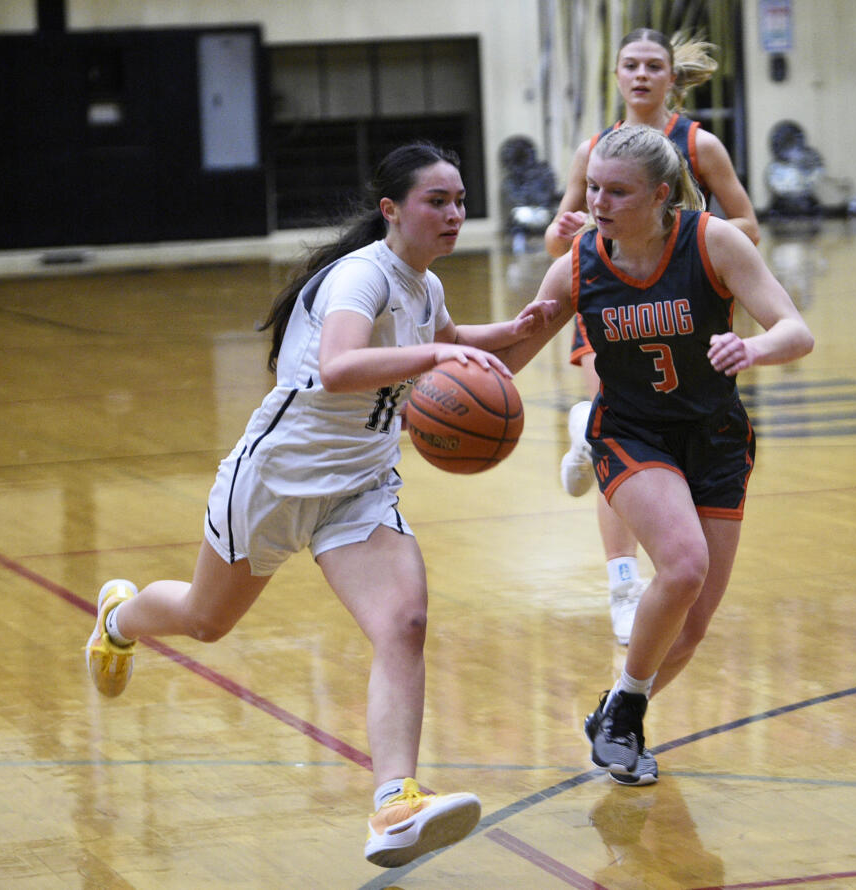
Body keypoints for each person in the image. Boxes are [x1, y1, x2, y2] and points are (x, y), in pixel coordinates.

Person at [84, 142, 557, 868]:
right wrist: (438, 358)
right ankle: (118, 618)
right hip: (277, 481)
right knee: (206, 622)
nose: (455, 214)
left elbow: (462, 349)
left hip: (360, 486)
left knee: (404, 622)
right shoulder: (359, 278)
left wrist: (532, 324)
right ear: (392, 210)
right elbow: (340, 367)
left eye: (461, 201)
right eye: (439, 201)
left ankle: (395, 803)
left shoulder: (425, 289)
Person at [494, 125, 813, 785]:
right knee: (684, 564)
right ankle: (626, 713)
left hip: (717, 437)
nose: (599, 203)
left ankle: (618, 707)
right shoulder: (578, 263)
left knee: (690, 629)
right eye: (593, 190)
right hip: (631, 433)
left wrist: (753, 349)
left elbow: (796, 330)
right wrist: (433, 367)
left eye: (618, 191)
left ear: (661, 194)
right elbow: (511, 356)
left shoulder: (711, 241)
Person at [544, 29, 761, 646]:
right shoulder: (597, 149)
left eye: (652, 66)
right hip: (608, 293)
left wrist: (687, 233)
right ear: (615, 77)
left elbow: (747, 221)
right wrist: (565, 230)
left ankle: (590, 428)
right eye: (629, 65)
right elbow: (558, 243)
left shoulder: (699, 144)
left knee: (649, 438)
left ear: (671, 77)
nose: (640, 75)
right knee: (625, 421)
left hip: (683, 299)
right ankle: (621, 582)